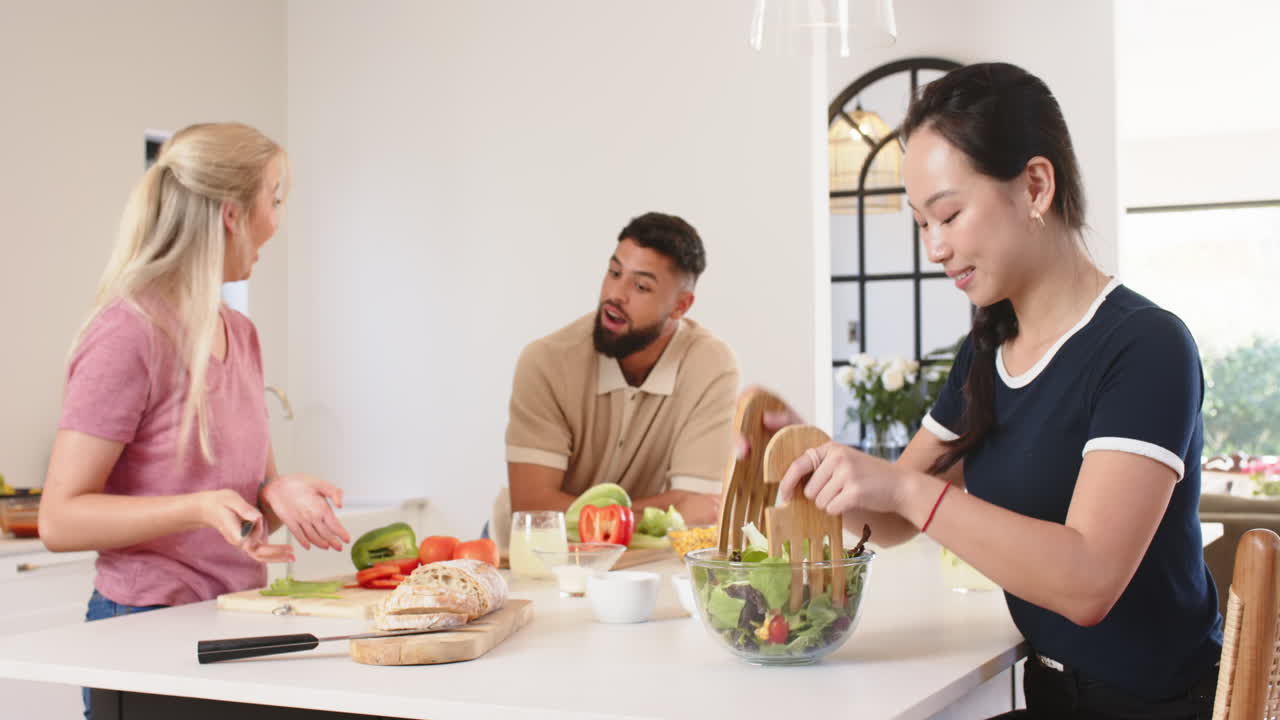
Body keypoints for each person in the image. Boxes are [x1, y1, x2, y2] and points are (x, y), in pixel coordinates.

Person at [750, 64, 1221, 718]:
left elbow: (1088, 583)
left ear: (1034, 185)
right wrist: (821, 461)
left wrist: (909, 489)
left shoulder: (1146, 348)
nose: (934, 248)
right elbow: (888, 522)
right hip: (1052, 696)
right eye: (920, 223)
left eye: (948, 214)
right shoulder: (987, 349)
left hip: (1158, 705)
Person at [36, 123, 351, 718]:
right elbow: (59, 517)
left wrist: (280, 496)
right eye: (274, 200)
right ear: (232, 215)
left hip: (233, 622)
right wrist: (197, 507)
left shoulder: (241, 333)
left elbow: (245, 507)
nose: (277, 224)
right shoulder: (129, 332)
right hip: (143, 632)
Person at [502, 212, 739, 533]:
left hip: (641, 555)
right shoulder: (546, 361)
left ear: (680, 306)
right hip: (530, 550)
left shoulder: (711, 366)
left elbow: (701, 508)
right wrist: (665, 511)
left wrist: (682, 509)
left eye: (641, 286)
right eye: (614, 272)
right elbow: (534, 508)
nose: (616, 294)